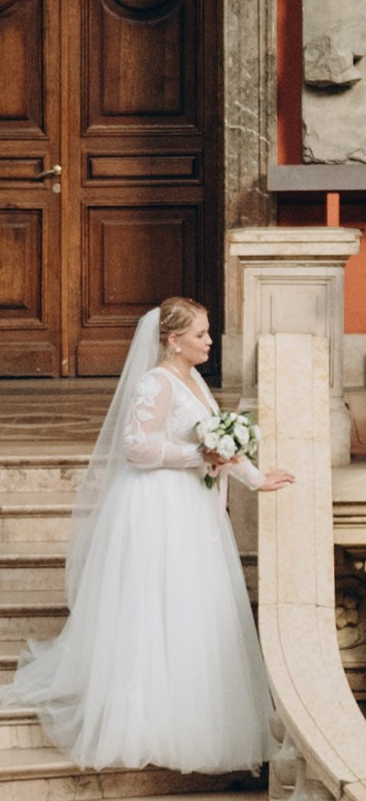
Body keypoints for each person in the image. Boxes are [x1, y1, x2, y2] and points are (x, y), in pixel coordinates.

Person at [6, 298, 291, 770]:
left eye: (208, 332)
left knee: (190, 606)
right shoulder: (155, 383)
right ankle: (143, 721)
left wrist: (258, 478)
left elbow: (218, 439)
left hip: (192, 506)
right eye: (200, 334)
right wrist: (196, 455)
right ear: (174, 340)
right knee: (156, 605)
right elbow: (136, 447)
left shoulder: (194, 380)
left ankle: (191, 714)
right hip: (159, 505)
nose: (209, 341)